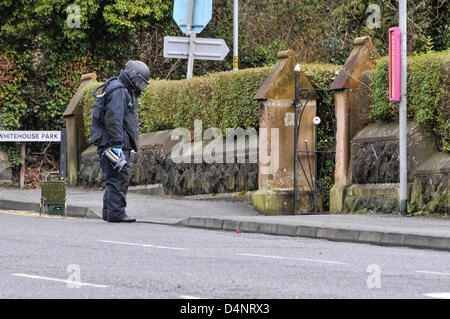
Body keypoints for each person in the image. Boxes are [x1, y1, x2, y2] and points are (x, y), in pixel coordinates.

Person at [92, 60, 151, 223]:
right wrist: (117, 145)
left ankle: (110, 213)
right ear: (132, 76)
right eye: (139, 81)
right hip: (114, 144)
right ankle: (116, 213)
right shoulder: (119, 91)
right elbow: (113, 119)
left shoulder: (121, 88)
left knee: (113, 179)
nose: (140, 86)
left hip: (114, 143)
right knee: (118, 179)